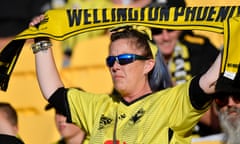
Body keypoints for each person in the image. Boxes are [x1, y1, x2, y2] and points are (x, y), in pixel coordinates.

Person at [29, 14, 223, 143]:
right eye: (111, 60)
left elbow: (211, 80)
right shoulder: (98, 106)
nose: (115, 66)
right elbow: (53, 92)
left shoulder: (171, 103)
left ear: (148, 64)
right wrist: (42, 42)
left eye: (124, 59)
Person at [148, 0, 221, 137]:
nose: (165, 37)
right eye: (157, 30)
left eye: (170, 27)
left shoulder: (202, 49)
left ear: (181, 26)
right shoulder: (139, 58)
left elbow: (219, 119)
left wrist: (173, 94)